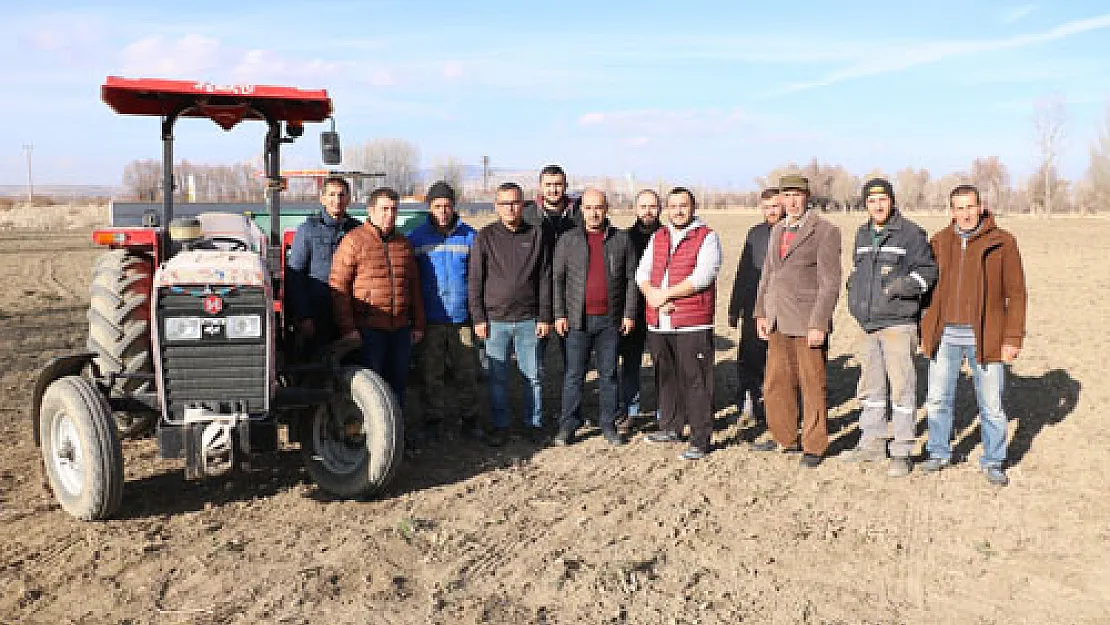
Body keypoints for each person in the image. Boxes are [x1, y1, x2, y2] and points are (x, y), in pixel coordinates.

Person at [919, 184, 1027, 487]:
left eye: (970, 207)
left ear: (981, 207)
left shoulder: (1002, 242)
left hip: (986, 336)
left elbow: (1017, 294)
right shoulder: (939, 242)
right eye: (959, 208)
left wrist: (1012, 338)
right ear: (951, 211)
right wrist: (925, 328)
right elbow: (927, 291)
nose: (965, 214)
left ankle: (993, 460)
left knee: (991, 404)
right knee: (938, 398)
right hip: (945, 335)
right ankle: (938, 452)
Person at [842, 178, 937, 477]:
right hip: (867, 324)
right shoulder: (861, 233)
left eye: (883, 200)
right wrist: (853, 291)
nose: (878, 205)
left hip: (898, 324)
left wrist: (900, 287)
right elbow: (858, 271)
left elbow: (927, 273)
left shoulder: (910, 234)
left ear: (892, 201)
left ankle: (902, 449)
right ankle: (872, 443)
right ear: (865, 204)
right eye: (871, 201)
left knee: (902, 388)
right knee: (870, 387)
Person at [752, 175, 841, 469]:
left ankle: (814, 444)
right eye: (786, 196)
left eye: (796, 195)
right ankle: (784, 436)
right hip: (777, 318)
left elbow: (830, 283)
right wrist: (761, 313)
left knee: (812, 384)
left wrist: (819, 323)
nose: (790, 202)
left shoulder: (825, 231)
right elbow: (767, 275)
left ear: (807, 196)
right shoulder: (777, 230)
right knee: (776, 383)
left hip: (806, 322)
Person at [637, 187, 722, 460]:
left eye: (683, 205)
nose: (678, 211)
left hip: (691, 323)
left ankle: (700, 437)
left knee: (695, 379)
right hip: (659, 321)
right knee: (666, 377)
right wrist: (653, 296)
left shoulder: (707, 237)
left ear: (693, 207)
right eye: (673, 206)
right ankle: (671, 426)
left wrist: (666, 294)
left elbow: (703, 276)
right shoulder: (659, 236)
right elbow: (642, 272)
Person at [552, 189, 639, 446]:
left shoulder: (621, 240)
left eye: (598, 207)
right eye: (588, 208)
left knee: (609, 375)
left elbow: (631, 280)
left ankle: (608, 425)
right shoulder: (568, 240)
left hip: (609, 321)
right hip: (577, 321)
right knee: (573, 375)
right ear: (581, 210)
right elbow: (557, 280)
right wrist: (559, 314)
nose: (593, 213)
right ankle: (568, 425)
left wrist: (629, 313)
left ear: (607, 208)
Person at [469, 182, 552, 447]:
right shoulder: (485, 237)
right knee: (497, 378)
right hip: (495, 321)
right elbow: (475, 281)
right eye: (504, 203)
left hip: (529, 319)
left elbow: (545, 279)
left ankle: (534, 425)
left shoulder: (537, 235)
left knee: (534, 376)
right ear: (496, 206)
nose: (510, 208)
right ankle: (500, 426)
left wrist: (544, 316)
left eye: (515, 202)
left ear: (524, 204)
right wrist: (479, 318)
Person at [330, 187, 425, 411]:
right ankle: (371, 436)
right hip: (368, 329)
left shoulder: (403, 245)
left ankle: (398, 435)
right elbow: (338, 287)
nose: (389, 215)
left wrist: (418, 324)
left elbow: (414, 287)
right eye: (384, 209)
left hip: (400, 329)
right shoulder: (353, 242)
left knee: (399, 384)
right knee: (372, 388)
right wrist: (348, 329)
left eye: (393, 210)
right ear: (371, 211)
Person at [407, 181, 482, 442]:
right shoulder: (416, 239)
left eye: (447, 205)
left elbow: (479, 278)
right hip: (431, 319)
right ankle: (433, 419)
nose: (443, 211)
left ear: (454, 206)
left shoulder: (470, 237)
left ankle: (470, 419)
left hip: (462, 319)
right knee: (431, 374)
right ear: (429, 207)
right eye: (438, 206)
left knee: (467, 372)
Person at [727, 187, 784, 430]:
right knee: (749, 359)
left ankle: (777, 410)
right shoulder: (755, 234)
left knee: (778, 362)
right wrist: (734, 307)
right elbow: (743, 271)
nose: (771, 211)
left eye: (775, 206)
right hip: (752, 308)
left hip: (782, 309)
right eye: (766, 207)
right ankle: (748, 405)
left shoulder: (792, 233)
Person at [286, 176, 361, 354]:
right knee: (317, 363)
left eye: (342, 195)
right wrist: (304, 316)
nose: (337, 200)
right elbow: (295, 275)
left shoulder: (358, 231)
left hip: (350, 312)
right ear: (323, 199)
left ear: (349, 199)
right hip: (318, 311)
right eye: (332, 195)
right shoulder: (308, 230)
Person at [617, 189, 662, 429]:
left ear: (659, 209)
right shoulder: (624, 239)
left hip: (661, 310)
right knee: (631, 364)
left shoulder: (668, 236)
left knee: (662, 364)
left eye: (652, 206)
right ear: (635, 209)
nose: (648, 211)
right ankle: (631, 410)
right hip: (633, 311)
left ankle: (664, 411)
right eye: (643, 206)